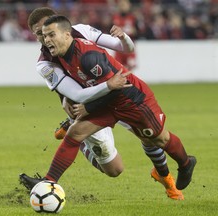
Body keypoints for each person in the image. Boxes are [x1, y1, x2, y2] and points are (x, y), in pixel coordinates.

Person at [21, 15, 197, 197]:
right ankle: (48, 181)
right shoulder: (53, 57)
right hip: (105, 101)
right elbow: (82, 91)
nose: (46, 40)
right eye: (43, 35)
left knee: (159, 140)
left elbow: (117, 88)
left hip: (132, 100)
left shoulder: (89, 57)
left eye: (51, 35)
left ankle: (186, 163)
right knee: (76, 133)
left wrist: (88, 108)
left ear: (67, 34)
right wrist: (72, 101)